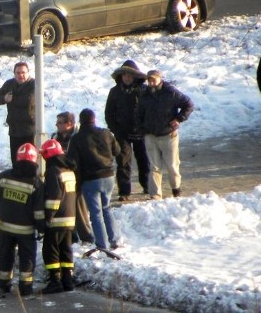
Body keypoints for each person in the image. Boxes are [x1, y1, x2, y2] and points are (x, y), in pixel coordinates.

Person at [0, 143, 44, 296]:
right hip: (26, 229)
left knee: (5, 254)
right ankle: (25, 287)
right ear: (34, 161)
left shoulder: (3, 177)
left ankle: (3, 283)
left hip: (6, 227)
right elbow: (39, 211)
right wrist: (41, 228)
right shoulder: (36, 184)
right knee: (27, 257)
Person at [67, 108, 122, 251]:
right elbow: (117, 151)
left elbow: (72, 162)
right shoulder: (106, 133)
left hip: (90, 179)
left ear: (80, 121)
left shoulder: (77, 138)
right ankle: (114, 239)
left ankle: (102, 244)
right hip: (109, 176)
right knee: (106, 208)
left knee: (96, 213)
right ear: (94, 119)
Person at [137, 70, 194, 200]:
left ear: (160, 79)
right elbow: (138, 113)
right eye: (149, 80)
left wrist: (179, 118)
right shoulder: (144, 94)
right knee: (154, 167)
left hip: (168, 134)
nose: (151, 83)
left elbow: (188, 104)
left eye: (153, 80)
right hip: (150, 135)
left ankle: (176, 190)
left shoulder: (171, 92)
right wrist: (142, 129)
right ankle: (155, 195)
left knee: (172, 165)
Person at [105, 60, 151, 201]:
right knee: (123, 162)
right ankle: (124, 192)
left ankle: (147, 186)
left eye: (130, 75)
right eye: (125, 75)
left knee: (143, 160)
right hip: (122, 133)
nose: (127, 78)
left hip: (140, 133)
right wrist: (115, 129)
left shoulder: (143, 90)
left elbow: (148, 111)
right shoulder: (114, 91)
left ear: (135, 77)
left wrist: (145, 127)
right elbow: (109, 113)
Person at [40, 139, 77, 294]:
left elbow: (54, 197)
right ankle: (67, 280)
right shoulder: (68, 170)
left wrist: (48, 218)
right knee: (65, 250)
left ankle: (55, 281)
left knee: (51, 251)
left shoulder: (53, 171)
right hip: (69, 219)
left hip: (57, 220)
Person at [51, 112, 94, 246]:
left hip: (76, 176)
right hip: (60, 176)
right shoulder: (54, 136)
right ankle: (72, 235)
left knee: (79, 207)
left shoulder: (78, 137)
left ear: (69, 124)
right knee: (65, 207)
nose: (57, 125)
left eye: (60, 122)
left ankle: (86, 236)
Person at [0, 62, 35, 165]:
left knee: (29, 162)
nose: (21, 75)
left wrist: (11, 99)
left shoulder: (33, 84)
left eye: (23, 72)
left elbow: (28, 101)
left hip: (30, 131)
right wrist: (4, 98)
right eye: (18, 73)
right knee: (16, 160)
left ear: (28, 73)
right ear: (14, 73)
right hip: (14, 130)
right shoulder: (9, 84)